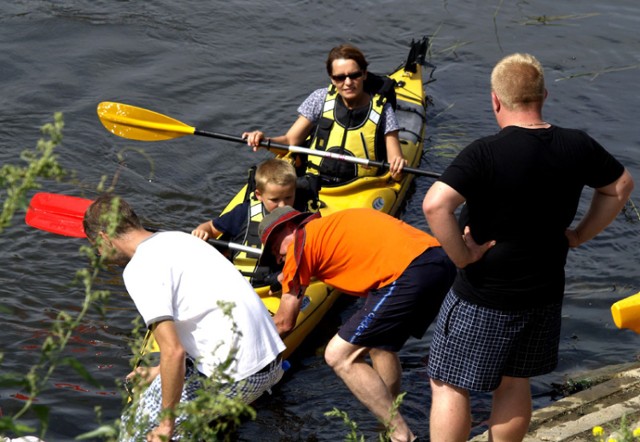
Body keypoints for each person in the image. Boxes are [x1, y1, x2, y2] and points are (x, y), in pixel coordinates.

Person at [422, 53, 634, 442]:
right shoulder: (577, 144)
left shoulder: (484, 152)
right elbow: (619, 186)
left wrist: (463, 256)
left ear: (495, 100)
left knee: (448, 382)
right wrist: (581, 234)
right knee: (514, 381)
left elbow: (435, 204)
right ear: (544, 95)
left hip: (484, 294)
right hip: (544, 290)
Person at [83, 194, 286, 442]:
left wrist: (166, 426)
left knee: (135, 432)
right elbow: (197, 314)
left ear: (104, 238)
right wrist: (159, 371)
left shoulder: (138, 270)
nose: (100, 255)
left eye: (97, 249)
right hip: (273, 355)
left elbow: (173, 352)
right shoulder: (177, 238)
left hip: (245, 375)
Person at [259, 206, 456, 442]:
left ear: (291, 227)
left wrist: (247, 351)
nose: (278, 258)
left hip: (405, 275)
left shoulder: (300, 245)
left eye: (275, 248)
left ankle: (401, 437)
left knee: (338, 355)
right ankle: (388, 417)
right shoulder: (331, 227)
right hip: (439, 261)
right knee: (379, 345)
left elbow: (284, 322)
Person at [243, 43, 407, 185]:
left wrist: (398, 167)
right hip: (313, 182)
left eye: (354, 75)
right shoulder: (319, 99)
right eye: (340, 77)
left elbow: (395, 171)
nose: (348, 82)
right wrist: (264, 141)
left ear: (364, 74)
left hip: (361, 188)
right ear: (332, 79)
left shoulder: (383, 110)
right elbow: (290, 141)